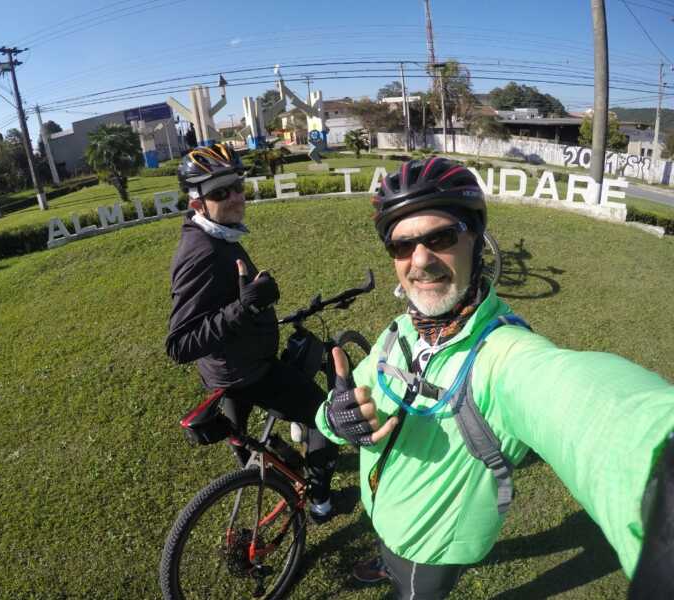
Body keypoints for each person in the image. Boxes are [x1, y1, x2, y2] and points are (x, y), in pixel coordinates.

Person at [315, 157, 674, 598]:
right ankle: (386, 553)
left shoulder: (504, 356)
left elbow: (581, 400)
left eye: (441, 238)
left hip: (430, 545)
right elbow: (346, 406)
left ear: (476, 241)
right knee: (389, 546)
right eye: (401, 247)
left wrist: (659, 468)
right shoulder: (401, 329)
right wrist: (334, 418)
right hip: (383, 509)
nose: (420, 261)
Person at [166, 142, 338, 521]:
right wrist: (246, 307)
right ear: (197, 203)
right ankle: (321, 503)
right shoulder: (204, 252)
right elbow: (180, 344)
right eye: (219, 192)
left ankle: (274, 468)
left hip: (230, 369)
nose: (235, 197)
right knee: (325, 416)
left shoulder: (216, 235)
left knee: (245, 446)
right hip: (248, 373)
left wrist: (249, 305)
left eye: (237, 186)